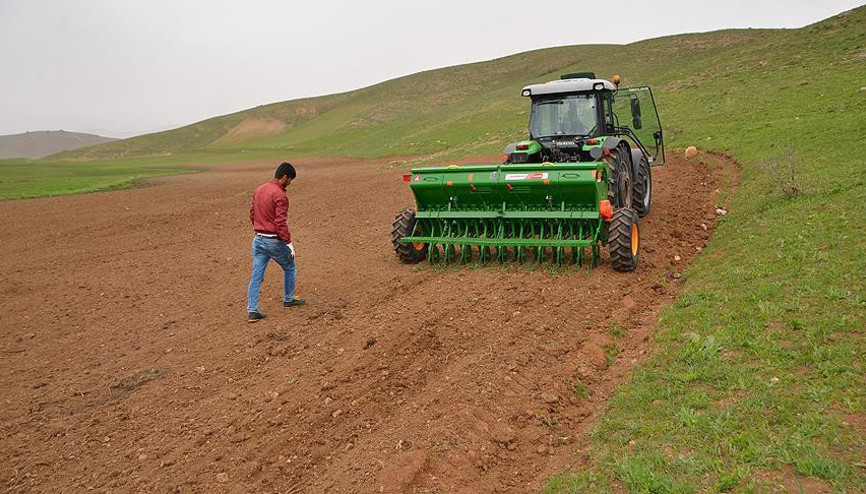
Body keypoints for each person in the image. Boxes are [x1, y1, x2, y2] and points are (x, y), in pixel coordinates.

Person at [246, 162, 305, 322]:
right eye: (290, 179)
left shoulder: (259, 189)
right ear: (285, 177)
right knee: (290, 266)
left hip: (258, 239)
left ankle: (252, 310)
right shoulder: (280, 196)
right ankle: (288, 298)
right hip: (273, 241)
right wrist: (288, 243)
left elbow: (252, 214)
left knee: (256, 276)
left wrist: (260, 228)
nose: (290, 183)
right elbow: (280, 223)